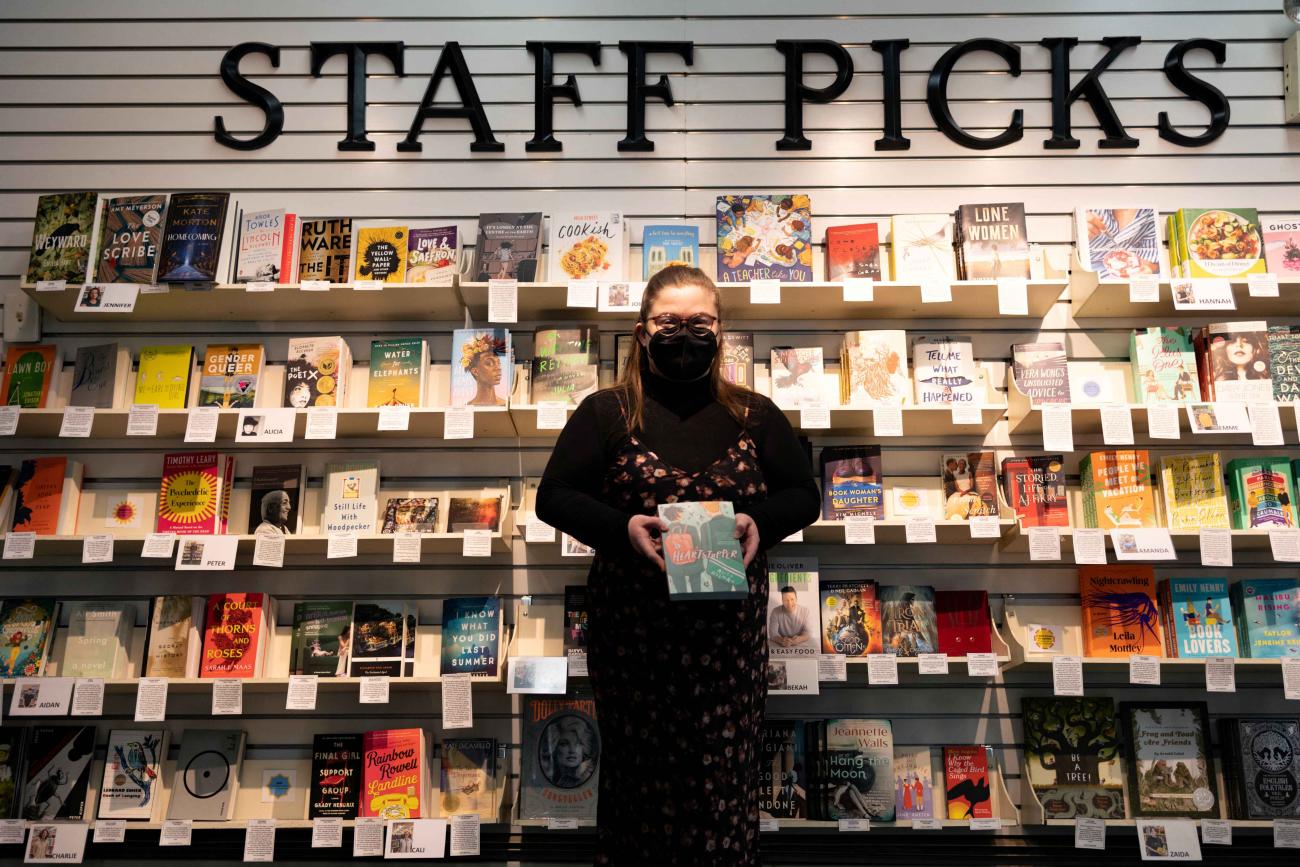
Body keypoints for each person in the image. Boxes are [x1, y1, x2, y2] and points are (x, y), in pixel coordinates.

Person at [536, 265, 820, 865]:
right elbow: (553, 495)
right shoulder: (606, 412)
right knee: (638, 782)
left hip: (728, 647)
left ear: (720, 331)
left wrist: (759, 523)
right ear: (642, 331)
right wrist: (622, 529)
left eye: (700, 322)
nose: (685, 334)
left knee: (723, 782)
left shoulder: (754, 414)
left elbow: (804, 494)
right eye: (669, 322)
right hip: (635, 640)